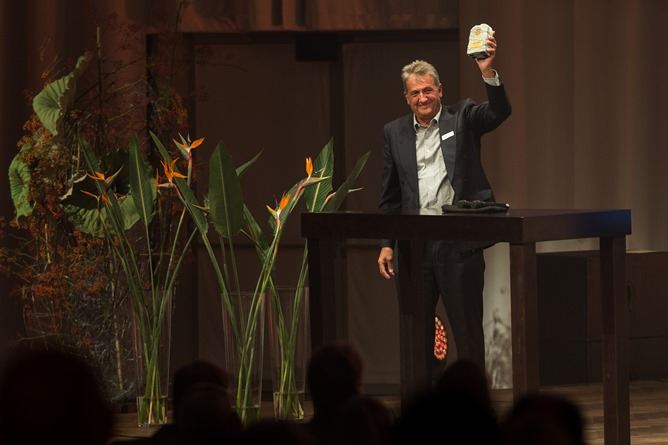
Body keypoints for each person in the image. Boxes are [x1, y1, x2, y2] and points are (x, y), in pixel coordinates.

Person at [377, 30, 511, 372]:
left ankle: (471, 401)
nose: (422, 98)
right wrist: (388, 244)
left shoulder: (462, 117)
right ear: (406, 98)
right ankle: (422, 401)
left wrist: (487, 71)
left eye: (428, 90)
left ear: (440, 91)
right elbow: (391, 195)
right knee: (415, 336)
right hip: (414, 247)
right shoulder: (394, 132)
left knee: (467, 335)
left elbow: (499, 112)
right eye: (415, 93)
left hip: (457, 244)